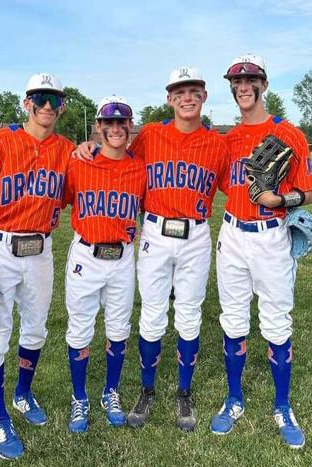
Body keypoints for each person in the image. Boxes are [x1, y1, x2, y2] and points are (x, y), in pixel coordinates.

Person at [75, 67, 229, 431]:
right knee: (152, 313)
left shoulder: (218, 144)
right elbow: (115, 149)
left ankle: (184, 393)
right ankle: (146, 390)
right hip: (155, 233)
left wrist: (280, 208)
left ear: (204, 96)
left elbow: (236, 190)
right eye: (179, 91)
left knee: (189, 313)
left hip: (195, 235)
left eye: (193, 90)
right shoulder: (150, 136)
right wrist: (89, 146)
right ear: (169, 98)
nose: (186, 97)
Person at [0, 73, 75, 460]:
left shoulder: (67, 149)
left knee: (36, 328)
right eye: (40, 98)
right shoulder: (0, 140)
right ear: (27, 102)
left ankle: (23, 394)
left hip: (41, 250)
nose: (47, 106)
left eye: (55, 100)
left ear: (61, 107)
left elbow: (77, 192)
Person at [211, 54, 312, 449]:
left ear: (264, 84)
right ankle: (234, 399)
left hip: (272, 235)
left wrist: (281, 198)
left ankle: (282, 405)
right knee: (233, 320)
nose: (243, 86)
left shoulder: (288, 132)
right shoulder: (228, 140)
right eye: (236, 80)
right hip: (232, 235)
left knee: (276, 322)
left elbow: (311, 190)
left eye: (250, 79)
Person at [64, 96, 146, 433]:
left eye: (121, 122)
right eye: (107, 123)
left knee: (118, 328)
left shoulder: (140, 167)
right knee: (80, 327)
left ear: (130, 127)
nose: (115, 128)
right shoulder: (78, 163)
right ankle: (79, 397)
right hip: (86, 254)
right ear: (98, 127)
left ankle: (110, 391)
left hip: (123, 256)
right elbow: (58, 198)